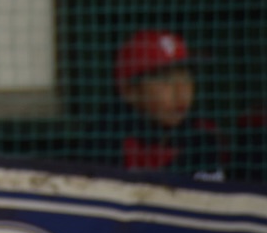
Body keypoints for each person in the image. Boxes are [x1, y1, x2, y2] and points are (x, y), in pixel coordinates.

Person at [83, 29, 226, 181]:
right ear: (129, 91)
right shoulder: (100, 143)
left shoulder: (203, 142)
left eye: (186, 77)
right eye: (165, 79)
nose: (182, 93)